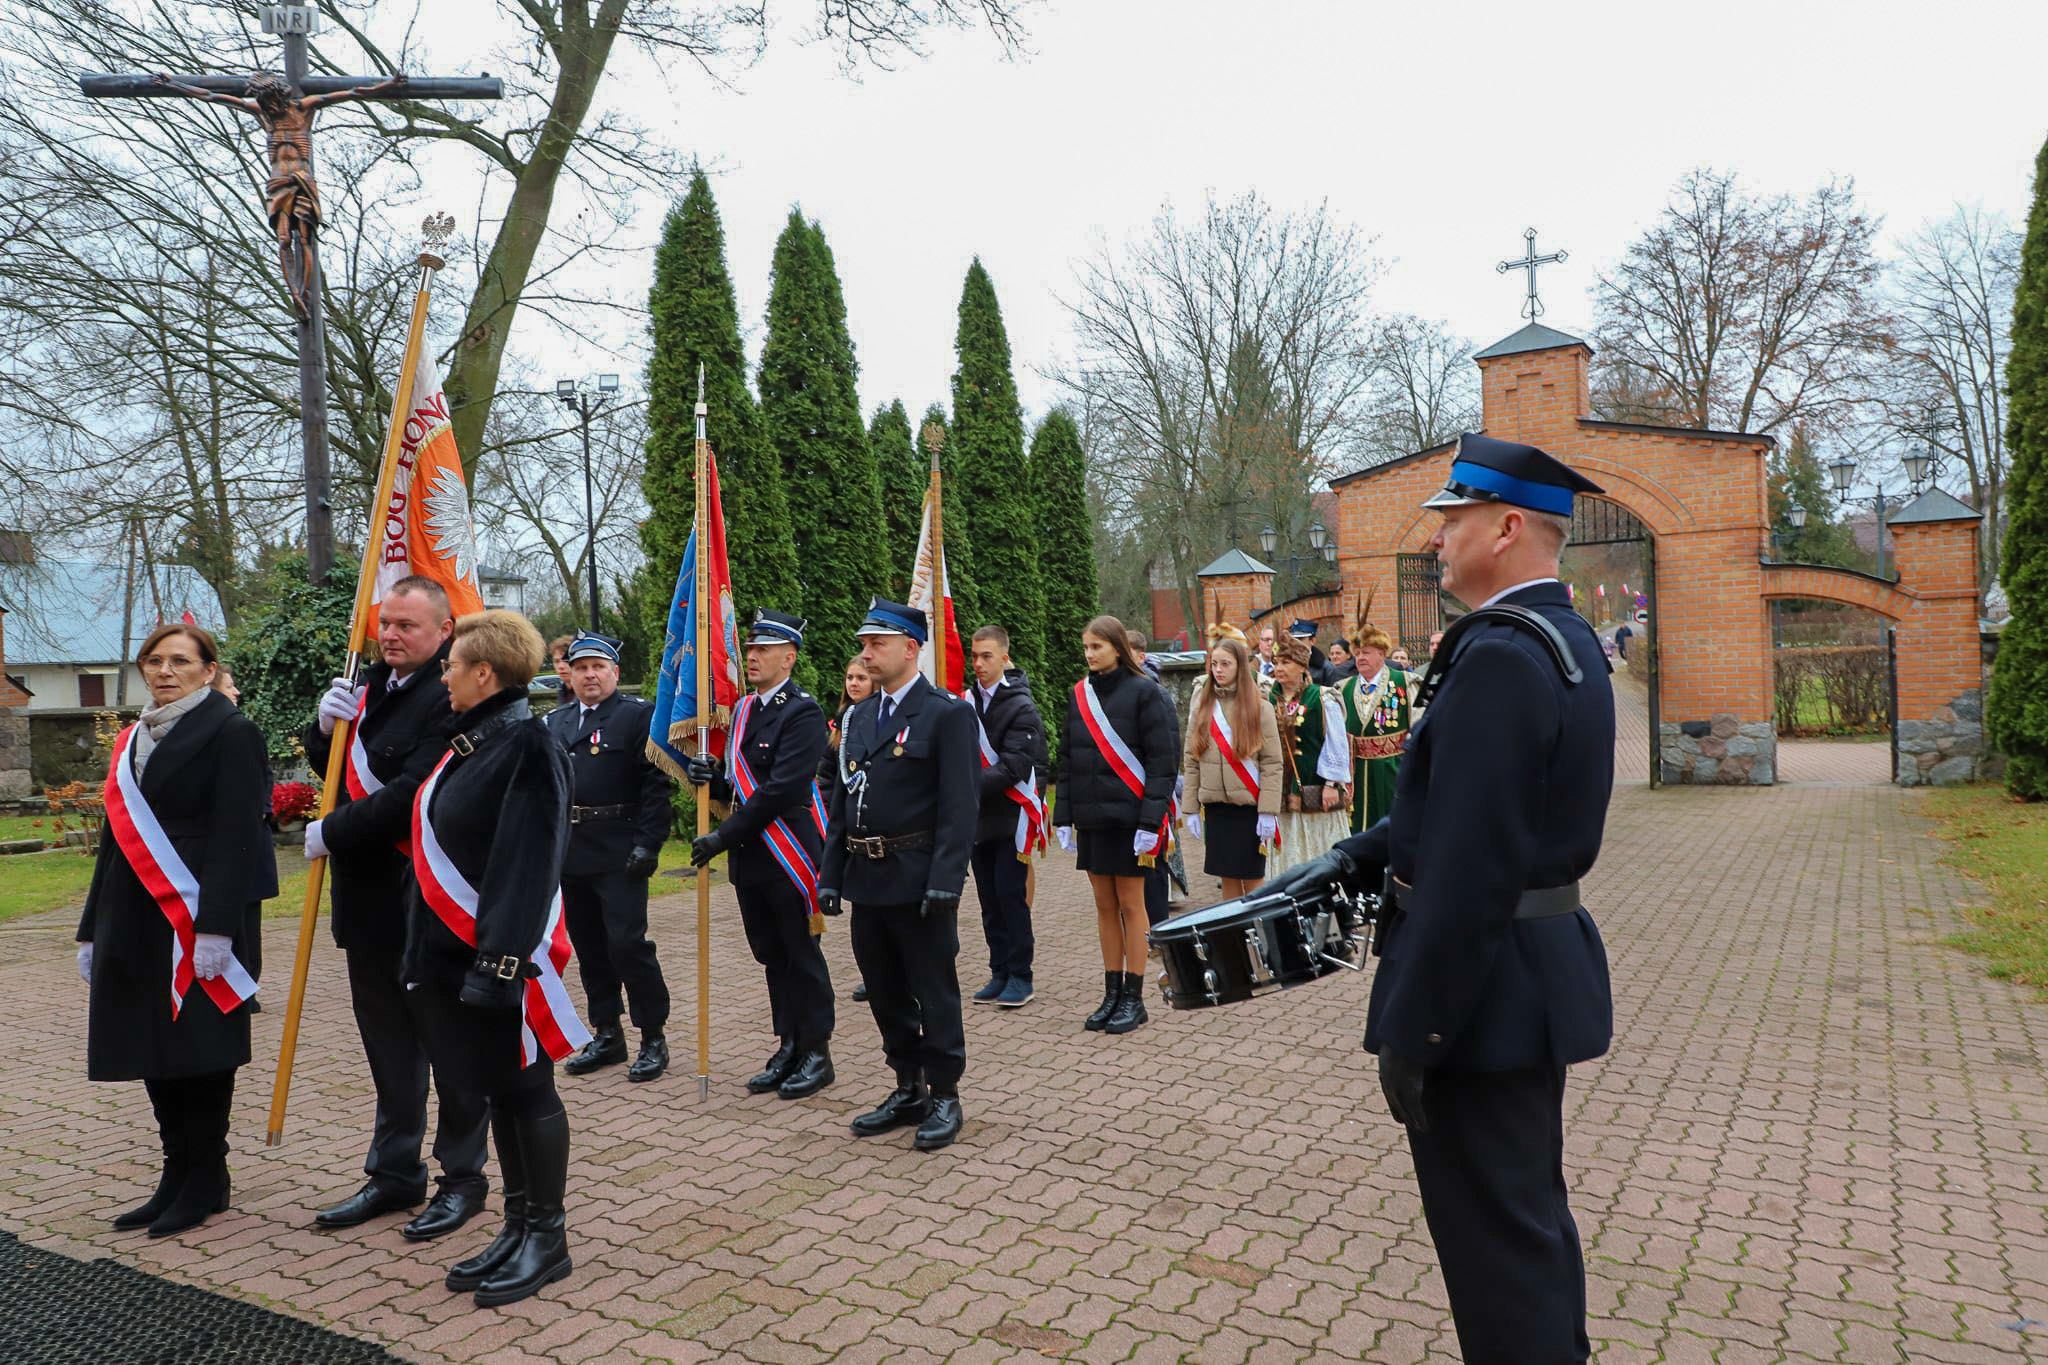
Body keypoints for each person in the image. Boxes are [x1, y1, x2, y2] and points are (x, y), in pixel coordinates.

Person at [1266, 432, 1614, 1363]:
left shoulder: (1501, 656)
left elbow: (1470, 873)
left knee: (1498, 1259)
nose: (1435, 539)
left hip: (1481, 999)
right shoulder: (1561, 639)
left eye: (1451, 519)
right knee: (1526, 1227)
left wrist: (1417, 1034)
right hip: (1521, 985)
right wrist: (1354, 858)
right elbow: (1463, 809)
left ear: (1505, 528)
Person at [405, 608, 586, 1307]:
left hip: (502, 959)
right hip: (457, 958)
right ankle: (517, 1226)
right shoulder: (474, 743)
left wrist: (501, 964)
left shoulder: (529, 745)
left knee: (528, 1088)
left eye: (451, 666)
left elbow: (527, 863)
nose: (443, 677)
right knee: (501, 1091)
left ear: (484, 672)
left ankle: (548, 1238)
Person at [304, 577, 489, 1241]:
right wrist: (322, 729)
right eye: (385, 623)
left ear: (444, 631)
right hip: (367, 902)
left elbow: (414, 792)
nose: (390, 635)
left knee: (451, 1045)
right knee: (388, 1045)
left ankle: (462, 1178)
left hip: (429, 901)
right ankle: (394, 1171)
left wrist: (331, 831)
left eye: (407, 625)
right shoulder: (370, 685)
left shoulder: (452, 696)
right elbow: (336, 769)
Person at [77, 623, 271, 1238]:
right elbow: (114, 839)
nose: (165, 671)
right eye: (154, 660)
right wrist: (91, 926)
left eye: (181, 661)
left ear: (208, 670)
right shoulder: (132, 737)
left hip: (199, 913)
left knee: (199, 1045)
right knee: (151, 1043)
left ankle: (207, 1177)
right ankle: (176, 1171)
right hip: (134, 911)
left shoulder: (232, 731)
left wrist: (216, 928)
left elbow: (239, 835)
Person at [817, 600, 978, 1151]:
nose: (865, 654)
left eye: (876, 644)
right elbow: (842, 802)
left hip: (918, 877)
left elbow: (960, 805)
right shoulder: (859, 717)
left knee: (934, 991)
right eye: (864, 644)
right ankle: (909, 1086)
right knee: (884, 992)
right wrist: (831, 874)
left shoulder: (946, 714)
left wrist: (947, 879)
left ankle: (945, 1093)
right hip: (868, 878)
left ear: (911, 648)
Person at [685, 610, 836, 1099]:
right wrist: (712, 780)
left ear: (788, 658)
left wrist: (720, 838)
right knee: (771, 955)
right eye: (750, 649)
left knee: (800, 954)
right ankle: (788, 1043)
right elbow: (741, 786)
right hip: (752, 858)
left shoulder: (803, 713)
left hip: (787, 854)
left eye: (763, 650)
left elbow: (779, 790)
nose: (751, 657)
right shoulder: (746, 709)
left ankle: (817, 1052)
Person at [549, 634, 675, 1082]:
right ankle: (607, 1033)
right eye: (581, 667)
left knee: (627, 945)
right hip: (572, 851)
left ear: (615, 673)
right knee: (590, 948)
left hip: (620, 850)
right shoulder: (556, 722)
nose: (590, 675)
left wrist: (649, 843)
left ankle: (652, 1035)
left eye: (598, 667)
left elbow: (656, 786)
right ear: (570, 674)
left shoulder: (636, 717)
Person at [1051, 615, 1178, 1035]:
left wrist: (1151, 821)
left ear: (1118, 648)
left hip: (1130, 820)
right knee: (1104, 905)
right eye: (1086, 647)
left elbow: (1162, 762)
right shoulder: (1080, 694)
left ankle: (1134, 998)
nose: (1089, 654)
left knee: (1131, 904)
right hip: (1093, 819)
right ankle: (1111, 992)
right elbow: (1067, 758)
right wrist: (1064, 815)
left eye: (1097, 647)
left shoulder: (1145, 692)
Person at [965, 626, 1048, 1009]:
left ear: (1004, 658)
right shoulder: (966, 702)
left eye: (986, 656)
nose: (978, 664)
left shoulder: (1020, 706)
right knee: (988, 901)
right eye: (974, 656)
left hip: (1012, 815)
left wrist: (961, 785)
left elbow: (1014, 766)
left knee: (1010, 896)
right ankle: (998, 971)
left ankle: (1020, 976)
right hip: (979, 816)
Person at [1181, 634, 1283, 900]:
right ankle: (1234, 929)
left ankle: (1258, 928)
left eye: (1225, 664)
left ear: (1240, 666)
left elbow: (1272, 763)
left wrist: (1268, 810)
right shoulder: (1203, 707)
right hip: (1217, 809)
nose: (1218, 670)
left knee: (1252, 879)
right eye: (1214, 664)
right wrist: (1190, 807)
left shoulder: (1260, 707)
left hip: (1250, 808)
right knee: (1227, 879)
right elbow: (1191, 760)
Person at [1265, 632, 1352, 875]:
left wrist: (1331, 783)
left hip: (1316, 789)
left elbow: (1335, 742)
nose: (1279, 668)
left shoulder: (1321, 697)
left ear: (1303, 666)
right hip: (1280, 791)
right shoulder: (1268, 699)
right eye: (1276, 663)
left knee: (1318, 846)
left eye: (1286, 662)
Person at [821, 655, 877, 1003]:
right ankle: (873, 975)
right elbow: (828, 774)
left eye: (861, 678)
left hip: (876, 827)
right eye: (850, 677)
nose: (853, 683)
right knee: (864, 919)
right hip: (847, 827)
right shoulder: (841, 721)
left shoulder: (879, 719)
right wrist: (833, 805)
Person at [1336, 623, 1413, 833]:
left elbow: (1418, 728)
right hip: (1357, 773)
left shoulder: (1405, 682)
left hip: (1393, 769)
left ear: (1382, 653)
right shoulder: (1343, 688)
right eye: (1357, 653)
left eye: (1366, 652)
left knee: (1394, 826)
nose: (1361, 658)